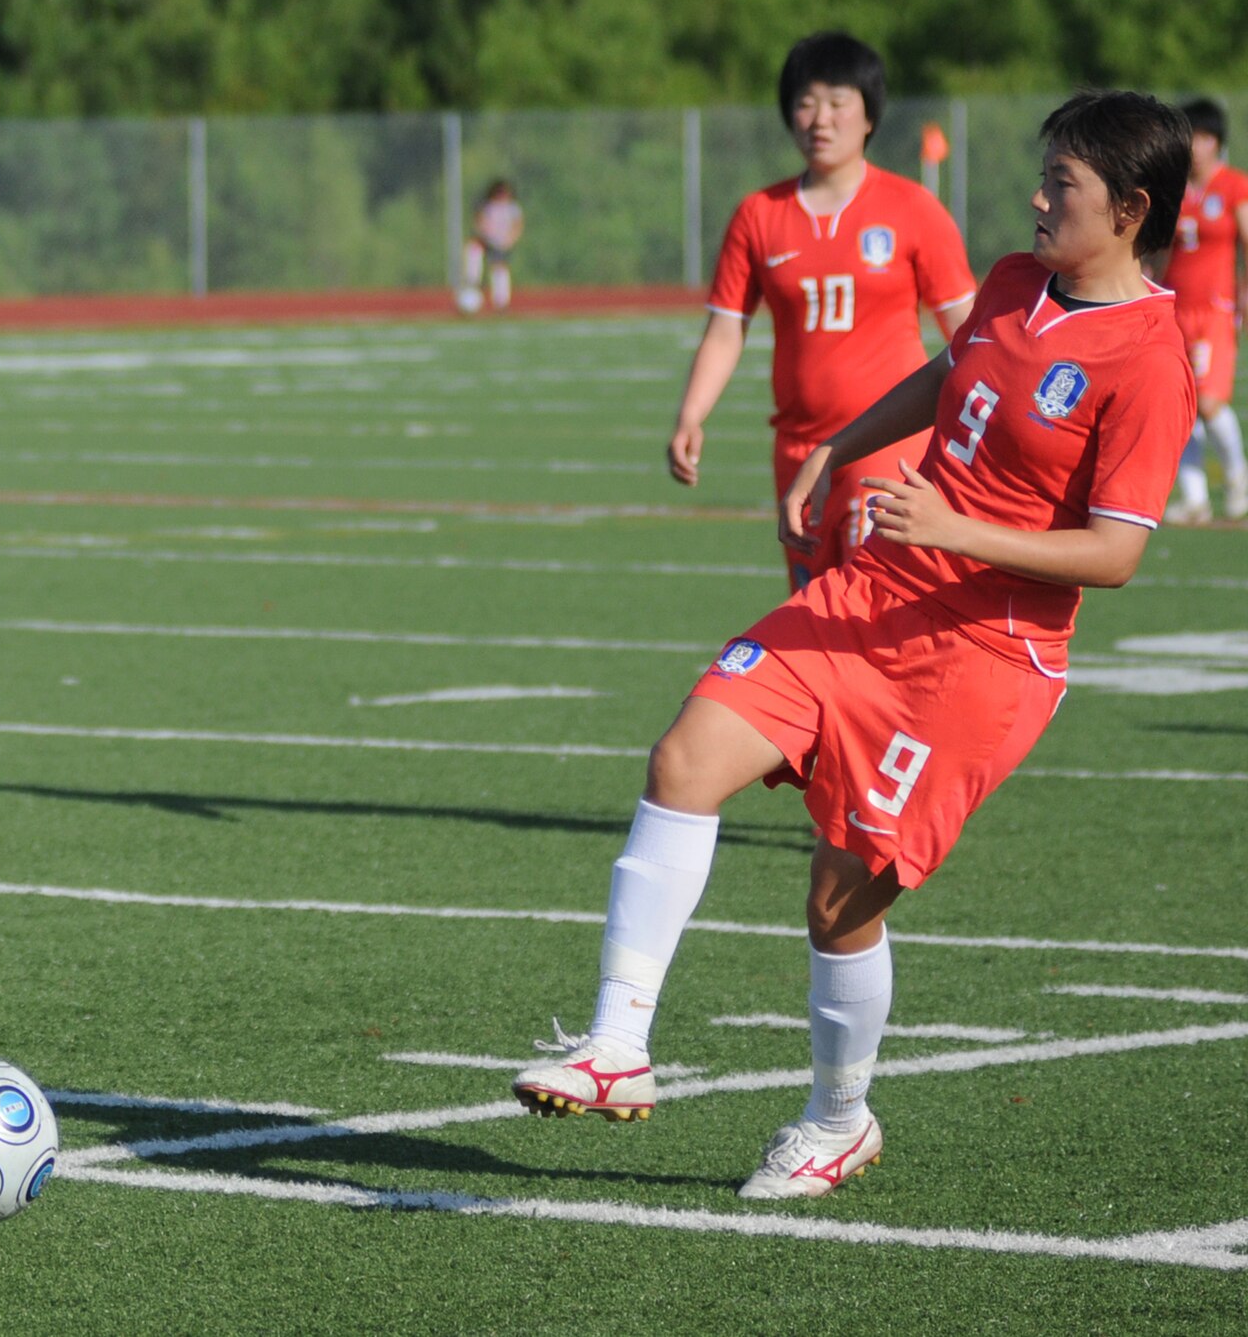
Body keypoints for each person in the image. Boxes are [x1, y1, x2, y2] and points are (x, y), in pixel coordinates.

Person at [513, 89, 1194, 1199]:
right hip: (869, 590)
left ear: (1127, 209)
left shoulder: (1149, 357)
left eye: (1058, 184)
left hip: (977, 661)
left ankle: (836, 1119)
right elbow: (945, 373)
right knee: (685, 756)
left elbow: (1113, 554)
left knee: (837, 898)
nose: (1034, 196)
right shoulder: (1017, 283)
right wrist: (840, 446)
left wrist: (951, 526)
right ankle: (614, 1047)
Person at [670, 33, 978, 593]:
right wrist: (691, 415)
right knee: (813, 612)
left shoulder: (913, 208)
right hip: (798, 452)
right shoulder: (759, 215)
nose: (820, 119)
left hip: (887, 443)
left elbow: (970, 331)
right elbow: (725, 330)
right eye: (806, 103)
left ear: (869, 116)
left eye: (838, 103)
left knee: (871, 601)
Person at [1160, 97, 1248, 523]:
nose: (1195, 146)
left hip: (1215, 308)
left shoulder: (1233, 185)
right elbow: (1159, 253)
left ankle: (1239, 483)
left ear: (1217, 143)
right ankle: (1194, 499)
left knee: (1210, 401)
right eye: (1190, 137)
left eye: (1204, 137)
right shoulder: (1174, 190)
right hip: (1176, 307)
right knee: (1182, 403)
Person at [459, 180, 523, 312]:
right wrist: (485, 235)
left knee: (499, 268)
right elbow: (479, 222)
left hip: (502, 243)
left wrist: (509, 240)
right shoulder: (487, 206)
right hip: (487, 240)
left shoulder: (512, 208)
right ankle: (473, 281)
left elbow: (517, 226)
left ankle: (501, 303)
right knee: (473, 249)